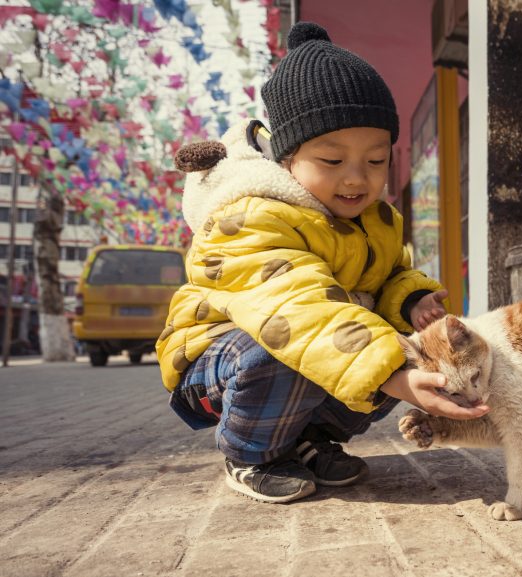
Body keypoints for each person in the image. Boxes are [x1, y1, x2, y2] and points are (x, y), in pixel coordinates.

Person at [156, 21, 488, 504]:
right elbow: (296, 308)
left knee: (390, 344)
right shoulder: (247, 217)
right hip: (219, 360)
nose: (357, 178)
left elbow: (392, 272)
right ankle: (249, 453)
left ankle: (306, 442)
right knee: (307, 350)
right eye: (332, 161)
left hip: (311, 337)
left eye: (376, 161)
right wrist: (392, 376)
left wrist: (412, 299)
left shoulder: (377, 221)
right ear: (287, 159)